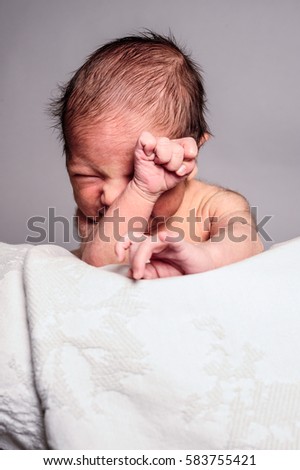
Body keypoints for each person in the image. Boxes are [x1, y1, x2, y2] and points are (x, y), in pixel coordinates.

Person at [50, 31, 263, 279]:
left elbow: (248, 245)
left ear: (189, 156)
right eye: (87, 175)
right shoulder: (94, 218)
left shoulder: (214, 205)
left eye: (134, 175)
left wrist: (205, 257)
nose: (110, 196)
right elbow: (102, 263)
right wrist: (142, 190)